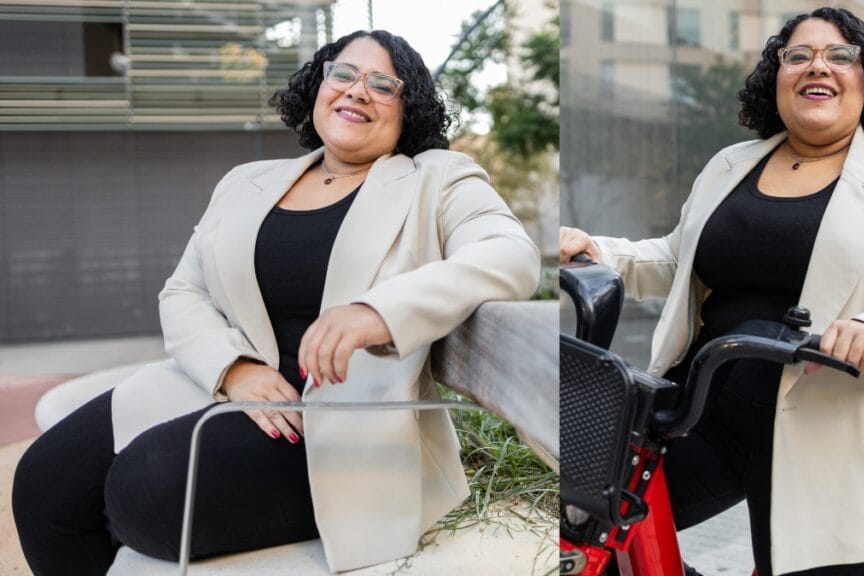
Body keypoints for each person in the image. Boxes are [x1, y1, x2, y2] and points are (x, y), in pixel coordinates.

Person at [13, 29, 540, 575]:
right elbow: (183, 289)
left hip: (335, 424)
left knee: (145, 493)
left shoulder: (438, 179)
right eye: (344, 74)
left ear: (408, 111)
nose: (358, 91)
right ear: (318, 85)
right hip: (222, 385)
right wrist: (234, 369)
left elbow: (510, 255)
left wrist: (377, 311)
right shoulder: (247, 181)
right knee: (41, 485)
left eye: (383, 85)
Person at [560, 7, 864, 576]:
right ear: (775, 78)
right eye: (796, 56)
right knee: (595, 542)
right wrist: (598, 250)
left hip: (842, 434)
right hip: (704, 411)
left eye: (839, 55)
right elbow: (679, 258)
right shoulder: (732, 164)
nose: (815, 66)